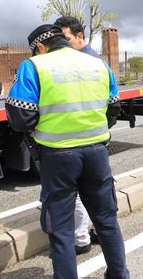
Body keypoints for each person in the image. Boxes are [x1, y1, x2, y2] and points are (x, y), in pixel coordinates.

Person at [5, 24, 129, 279]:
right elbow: (114, 108)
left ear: (40, 46)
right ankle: (119, 275)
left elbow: (20, 117)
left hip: (57, 156)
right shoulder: (99, 65)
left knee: (61, 230)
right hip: (97, 153)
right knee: (106, 220)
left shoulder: (35, 66)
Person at [54, 16, 102, 253]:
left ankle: (82, 237)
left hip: (83, 142)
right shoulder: (86, 60)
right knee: (92, 193)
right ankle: (96, 232)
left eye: (67, 39)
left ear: (80, 36)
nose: (62, 45)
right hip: (91, 141)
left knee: (80, 195)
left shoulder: (87, 61)